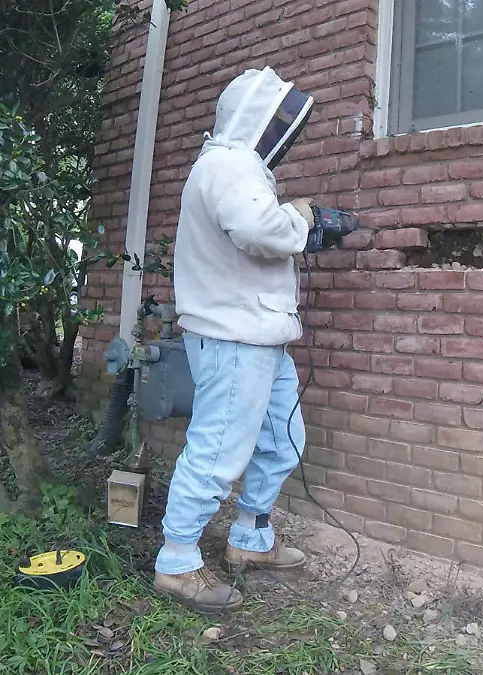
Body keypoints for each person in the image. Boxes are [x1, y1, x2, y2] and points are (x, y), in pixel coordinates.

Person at [152, 66, 317, 614]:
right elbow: (258, 230)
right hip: (233, 338)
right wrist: (299, 218)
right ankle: (177, 563)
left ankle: (250, 538)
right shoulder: (229, 164)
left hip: (259, 334)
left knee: (283, 437)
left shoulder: (234, 168)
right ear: (260, 119)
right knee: (219, 449)